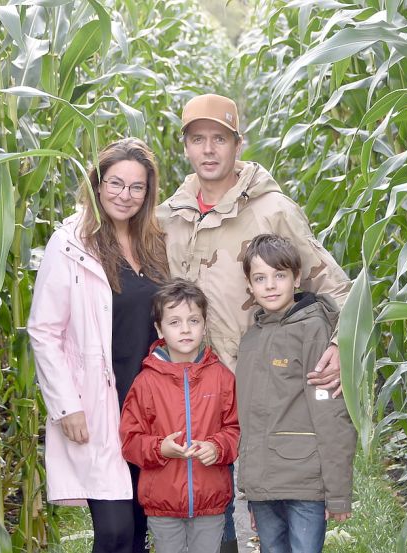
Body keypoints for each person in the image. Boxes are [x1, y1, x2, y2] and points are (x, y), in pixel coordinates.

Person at [157, 92, 352, 551]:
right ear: (185, 147)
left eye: (219, 139)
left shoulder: (272, 210)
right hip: (196, 387)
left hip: (262, 389)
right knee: (209, 508)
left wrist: (342, 346)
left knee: (261, 500)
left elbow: (336, 286)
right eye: (198, 139)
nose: (208, 150)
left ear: (237, 145)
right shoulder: (168, 218)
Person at [27, 138, 169, 553]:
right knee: (114, 530)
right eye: (115, 183)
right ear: (97, 183)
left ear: (148, 192)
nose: (125, 196)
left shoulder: (155, 243)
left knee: (142, 524)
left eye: (136, 187)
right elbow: (44, 330)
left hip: (149, 403)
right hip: (96, 401)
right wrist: (65, 405)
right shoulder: (70, 243)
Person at [235, 234, 356, 553]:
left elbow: (329, 411)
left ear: (297, 278)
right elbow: (248, 419)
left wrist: (338, 491)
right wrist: (250, 488)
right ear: (249, 285)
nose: (270, 285)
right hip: (264, 488)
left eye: (280, 275)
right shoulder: (250, 342)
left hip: (304, 483)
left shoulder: (313, 329)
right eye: (260, 278)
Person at [119, 279, 240, 553]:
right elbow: (130, 440)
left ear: (205, 325)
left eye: (193, 320)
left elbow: (236, 429)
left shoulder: (222, 377)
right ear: (159, 329)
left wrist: (217, 447)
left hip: (210, 502)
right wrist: (159, 448)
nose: (185, 329)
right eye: (174, 322)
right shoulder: (146, 382)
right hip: (162, 504)